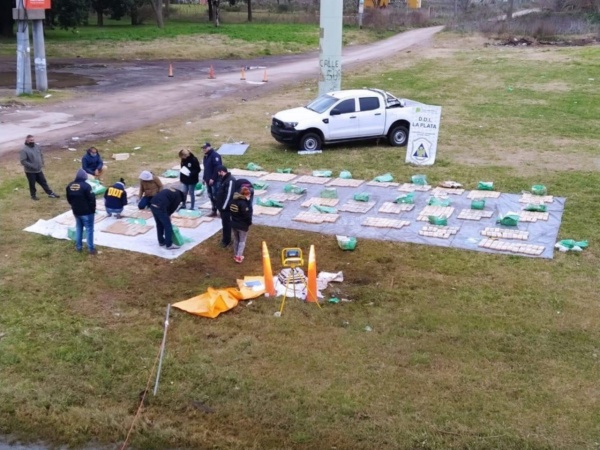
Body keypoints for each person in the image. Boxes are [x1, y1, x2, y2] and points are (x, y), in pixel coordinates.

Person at [19, 134, 60, 201]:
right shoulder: (24, 150)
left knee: (43, 182)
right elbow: (23, 161)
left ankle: (50, 193)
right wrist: (32, 166)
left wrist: (42, 163)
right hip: (30, 171)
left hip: (38, 169)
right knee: (32, 184)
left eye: (33, 140)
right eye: (31, 140)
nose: (32, 141)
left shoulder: (37, 146)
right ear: (27, 140)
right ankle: (33, 196)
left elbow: (41, 155)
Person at [66, 169, 96, 254]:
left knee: (79, 228)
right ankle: (91, 249)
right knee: (89, 229)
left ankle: (78, 247)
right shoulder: (86, 186)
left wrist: (73, 206)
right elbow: (92, 199)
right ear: (84, 177)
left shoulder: (69, 186)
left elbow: (69, 199)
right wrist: (92, 210)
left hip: (76, 211)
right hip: (87, 212)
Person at [150, 184, 186, 250]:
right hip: (160, 207)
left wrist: (167, 214)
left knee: (159, 224)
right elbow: (172, 208)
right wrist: (168, 215)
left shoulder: (172, 191)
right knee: (168, 226)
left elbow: (168, 203)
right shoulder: (178, 197)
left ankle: (161, 241)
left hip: (152, 204)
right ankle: (169, 244)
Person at [230, 186, 253, 263]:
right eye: (249, 195)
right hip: (242, 225)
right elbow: (246, 215)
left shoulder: (233, 200)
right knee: (242, 241)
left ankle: (236, 254)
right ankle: (239, 257)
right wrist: (249, 223)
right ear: (246, 195)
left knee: (236, 239)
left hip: (234, 223)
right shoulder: (243, 203)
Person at [215, 165, 236, 248]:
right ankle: (225, 239)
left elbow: (229, 195)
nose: (218, 174)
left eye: (218, 172)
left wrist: (223, 207)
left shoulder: (230, 180)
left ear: (222, 171)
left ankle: (227, 241)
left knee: (227, 224)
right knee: (224, 224)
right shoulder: (224, 179)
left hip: (226, 208)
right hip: (222, 207)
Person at [201, 142, 222, 217]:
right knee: (210, 196)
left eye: (205, 148)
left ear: (210, 147)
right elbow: (206, 169)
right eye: (203, 148)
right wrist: (204, 178)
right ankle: (214, 210)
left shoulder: (215, 156)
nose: (204, 149)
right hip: (207, 180)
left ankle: (221, 211)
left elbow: (218, 168)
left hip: (215, 180)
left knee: (216, 196)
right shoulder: (206, 156)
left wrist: (213, 178)